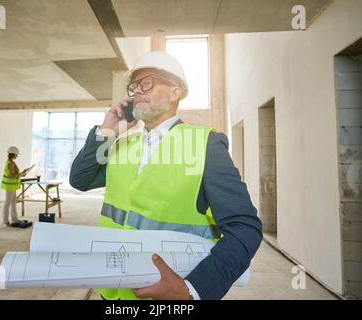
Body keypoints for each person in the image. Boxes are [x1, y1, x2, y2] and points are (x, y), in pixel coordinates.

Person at [69, 51, 262, 300]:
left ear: (175, 92)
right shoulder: (123, 144)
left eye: (146, 83)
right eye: (134, 86)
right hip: (112, 291)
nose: (137, 91)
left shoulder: (205, 144)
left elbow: (245, 228)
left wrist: (193, 290)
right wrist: (108, 128)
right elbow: (80, 180)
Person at [1, 146, 27, 226]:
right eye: (16, 154)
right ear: (13, 154)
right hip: (10, 187)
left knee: (13, 203)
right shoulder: (10, 163)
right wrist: (21, 174)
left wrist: (21, 173)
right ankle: (5, 221)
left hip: (12, 186)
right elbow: (12, 175)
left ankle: (15, 219)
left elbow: (14, 174)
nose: (17, 156)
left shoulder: (11, 162)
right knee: (8, 203)